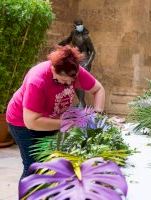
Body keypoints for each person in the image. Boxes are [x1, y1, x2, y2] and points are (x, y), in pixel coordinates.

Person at [6, 45, 105, 179]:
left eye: (71, 80)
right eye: (63, 81)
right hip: (22, 123)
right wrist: (69, 122)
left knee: (51, 163)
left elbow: (98, 89)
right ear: (53, 69)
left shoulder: (74, 71)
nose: (68, 83)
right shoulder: (37, 80)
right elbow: (32, 122)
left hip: (51, 119)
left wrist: (97, 114)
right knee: (33, 167)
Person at [59, 18, 96, 107]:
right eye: (78, 24)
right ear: (75, 26)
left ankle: (82, 103)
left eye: (81, 24)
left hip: (85, 59)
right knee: (75, 81)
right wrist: (59, 45)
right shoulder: (74, 33)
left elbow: (93, 52)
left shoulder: (86, 37)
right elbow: (67, 40)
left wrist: (88, 63)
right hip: (76, 58)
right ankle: (81, 102)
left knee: (80, 81)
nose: (80, 26)